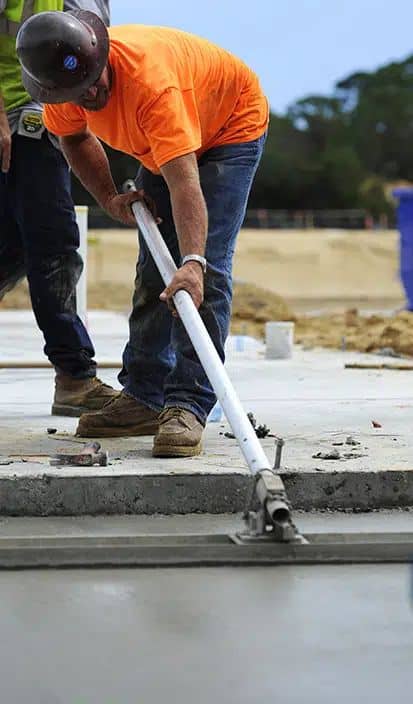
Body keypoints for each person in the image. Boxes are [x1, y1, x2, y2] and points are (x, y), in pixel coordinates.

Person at [16, 10, 269, 456]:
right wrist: (110, 196)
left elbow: (185, 181)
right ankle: (144, 397)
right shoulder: (60, 95)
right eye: (80, 91)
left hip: (229, 125)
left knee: (203, 269)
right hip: (161, 143)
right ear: (52, 91)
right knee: (153, 269)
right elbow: (74, 141)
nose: (92, 92)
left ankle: (189, 403)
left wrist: (193, 262)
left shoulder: (152, 86)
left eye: (95, 79)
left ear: (100, 55)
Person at [0, 0, 117, 417]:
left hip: (45, 116)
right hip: (15, 118)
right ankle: (75, 376)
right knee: (53, 244)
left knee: (14, 249)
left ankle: (73, 374)